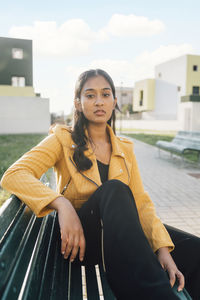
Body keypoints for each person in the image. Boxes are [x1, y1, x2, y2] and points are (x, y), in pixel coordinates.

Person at [1, 69, 199, 299]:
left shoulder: (125, 148)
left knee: (194, 251)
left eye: (105, 95)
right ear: (78, 103)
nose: (98, 101)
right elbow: (14, 174)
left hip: (122, 235)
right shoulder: (62, 139)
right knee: (114, 189)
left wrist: (162, 249)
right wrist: (61, 204)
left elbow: (141, 203)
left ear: (114, 101)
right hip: (85, 242)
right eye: (90, 95)